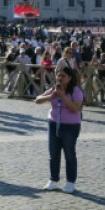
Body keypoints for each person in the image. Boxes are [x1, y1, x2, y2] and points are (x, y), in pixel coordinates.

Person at [35, 66, 84, 194]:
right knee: (53, 154)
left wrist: (63, 96)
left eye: (63, 76)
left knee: (69, 154)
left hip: (70, 126)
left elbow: (75, 109)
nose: (60, 78)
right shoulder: (55, 89)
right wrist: (51, 95)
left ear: (70, 78)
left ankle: (70, 182)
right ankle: (53, 180)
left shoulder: (76, 90)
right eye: (58, 75)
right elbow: (37, 100)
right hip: (53, 123)